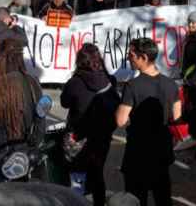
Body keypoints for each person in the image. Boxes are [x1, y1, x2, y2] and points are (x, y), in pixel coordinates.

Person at [115, 38, 181, 206]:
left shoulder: (132, 86)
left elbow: (120, 120)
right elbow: (176, 117)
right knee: (163, 197)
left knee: (135, 198)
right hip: (162, 149)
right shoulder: (171, 84)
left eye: (131, 54)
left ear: (143, 58)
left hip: (138, 151)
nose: (128, 58)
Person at [61, 44, 120, 206]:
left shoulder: (75, 82)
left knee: (77, 175)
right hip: (102, 137)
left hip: (78, 137)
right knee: (97, 173)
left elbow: (64, 103)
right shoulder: (110, 80)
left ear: (79, 61)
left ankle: (77, 202)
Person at [0, 38, 44, 171]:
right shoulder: (33, 84)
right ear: (21, 57)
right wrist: (33, 146)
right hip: (25, 154)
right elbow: (40, 120)